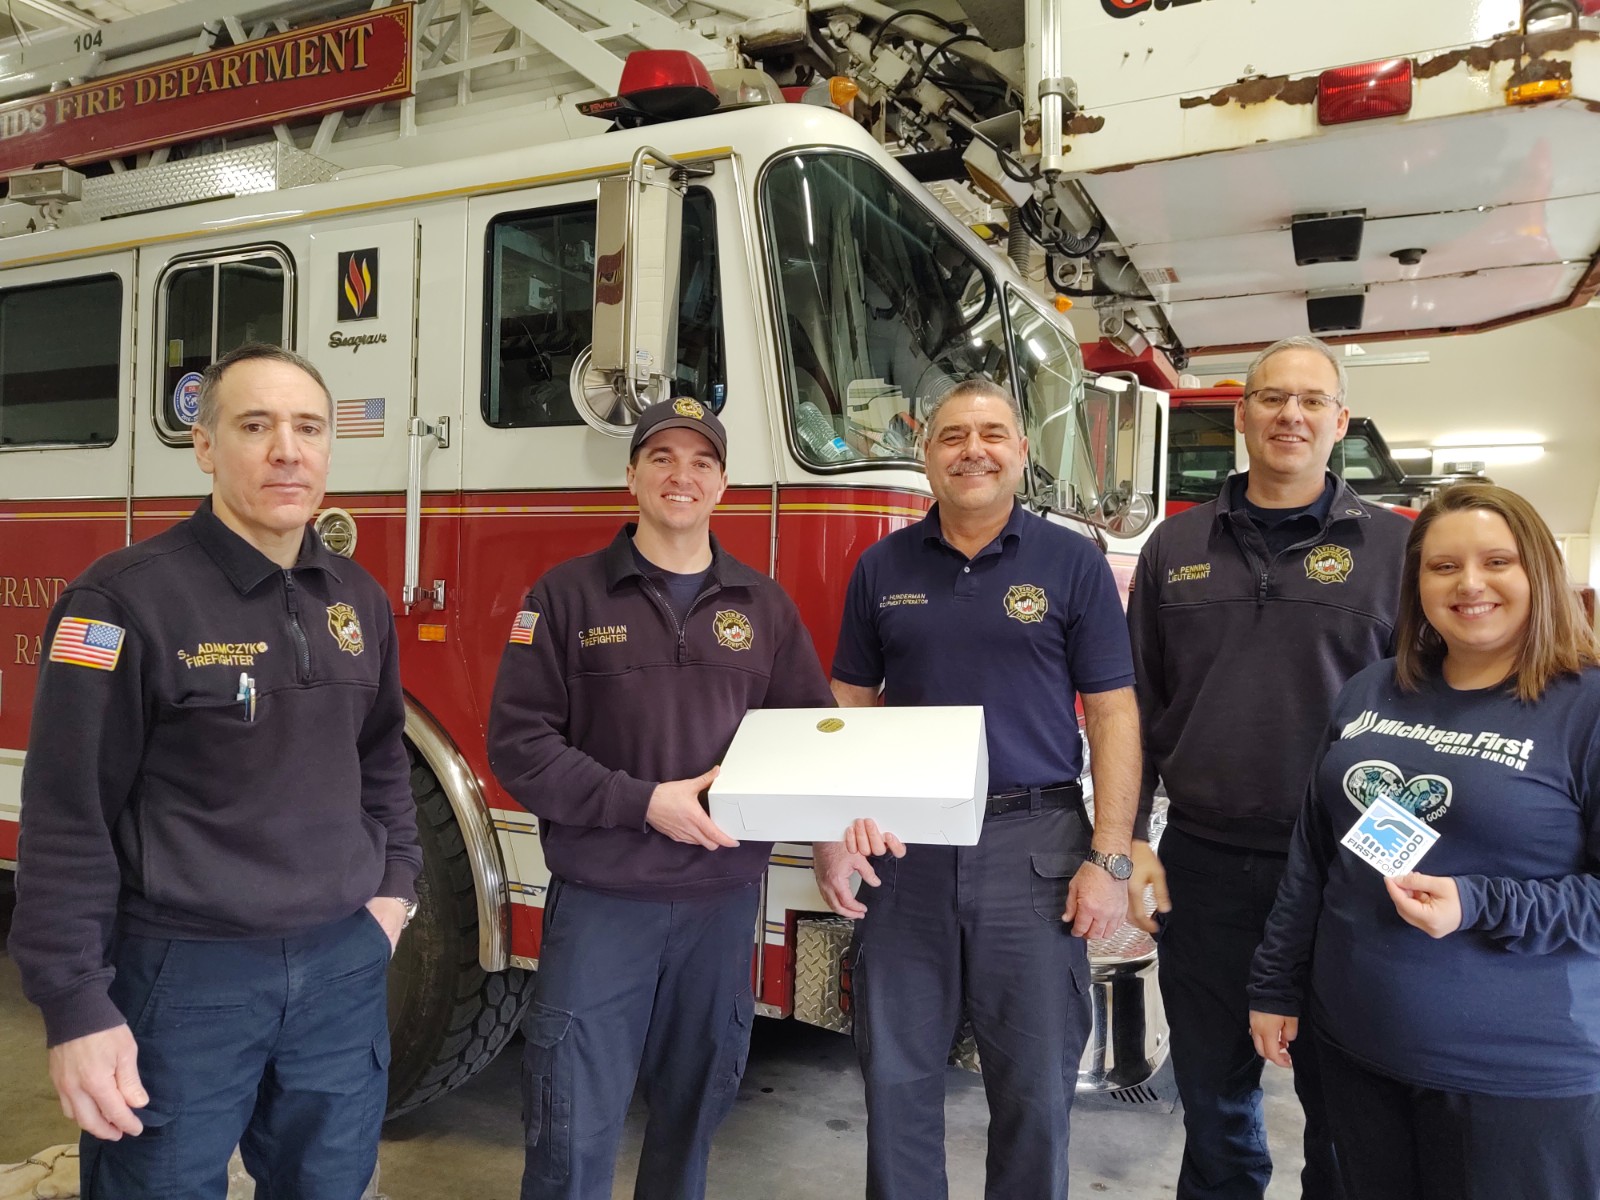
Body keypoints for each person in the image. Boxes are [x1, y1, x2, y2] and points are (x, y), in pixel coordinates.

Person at [7, 343, 420, 1199]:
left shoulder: (357, 599)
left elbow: (382, 758)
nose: (287, 451)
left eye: (308, 428)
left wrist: (393, 893)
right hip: (184, 976)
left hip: (341, 966)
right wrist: (76, 1005)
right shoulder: (122, 601)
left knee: (330, 1184)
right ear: (205, 447)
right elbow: (67, 814)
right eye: (256, 426)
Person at [487, 397, 833, 1200]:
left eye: (702, 462)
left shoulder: (765, 606)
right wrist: (643, 802)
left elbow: (805, 741)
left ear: (723, 485)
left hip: (720, 906)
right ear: (632, 476)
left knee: (695, 1111)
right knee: (571, 1120)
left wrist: (834, 829)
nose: (683, 476)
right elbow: (520, 748)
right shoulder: (565, 597)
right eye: (663, 459)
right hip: (606, 902)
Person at [814, 378, 1141, 1200]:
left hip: (1033, 851)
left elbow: (1110, 714)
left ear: (1021, 452)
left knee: (1033, 1090)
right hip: (904, 852)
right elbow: (848, 704)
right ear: (925, 451)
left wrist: (1111, 857)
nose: (974, 450)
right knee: (896, 1081)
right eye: (953, 435)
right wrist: (830, 829)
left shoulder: (1071, 563)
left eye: (992, 433)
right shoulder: (881, 566)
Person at [1249, 483, 1600, 1199]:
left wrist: (1478, 903)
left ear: (1538, 570)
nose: (1469, 584)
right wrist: (1274, 983)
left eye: (1496, 561)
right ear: (1416, 584)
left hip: (1513, 1080)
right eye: (1443, 567)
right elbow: (1316, 855)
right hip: (1354, 1048)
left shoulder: (1584, 708)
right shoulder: (1371, 691)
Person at [1128, 335, 1411, 1200]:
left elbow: (1431, 720)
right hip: (1203, 864)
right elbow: (1132, 708)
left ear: (1340, 421)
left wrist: (1405, 858)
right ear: (1241, 413)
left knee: (1343, 1102)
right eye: (1272, 398)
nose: (1291, 414)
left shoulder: (1399, 551)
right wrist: (1132, 838)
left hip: (1344, 870)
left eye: (1311, 401)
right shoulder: (1172, 547)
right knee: (1214, 1096)